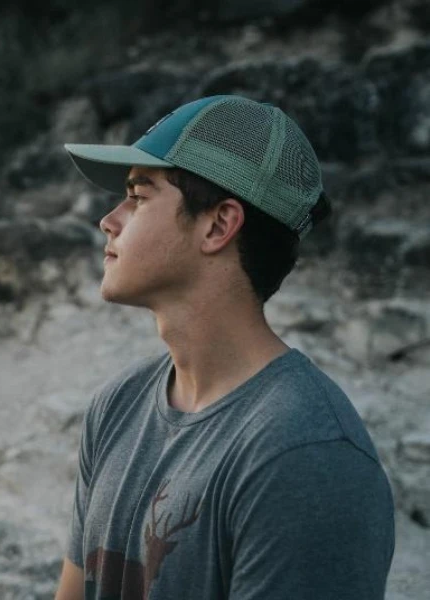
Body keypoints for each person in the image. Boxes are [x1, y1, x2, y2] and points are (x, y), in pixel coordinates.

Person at [54, 95, 396, 600]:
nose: (109, 219)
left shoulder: (306, 457)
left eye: (139, 195)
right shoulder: (117, 404)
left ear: (218, 225)